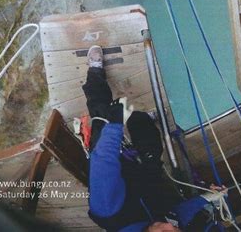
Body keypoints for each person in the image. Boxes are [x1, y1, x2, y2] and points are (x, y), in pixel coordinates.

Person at [83, 45, 224, 232]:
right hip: (142, 182)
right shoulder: (164, 227)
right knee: (151, 147)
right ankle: (139, 118)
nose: (171, 226)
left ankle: (95, 71)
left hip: (112, 165)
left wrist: (115, 123)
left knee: (101, 114)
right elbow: (177, 215)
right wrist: (205, 199)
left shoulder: (109, 210)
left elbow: (103, 162)